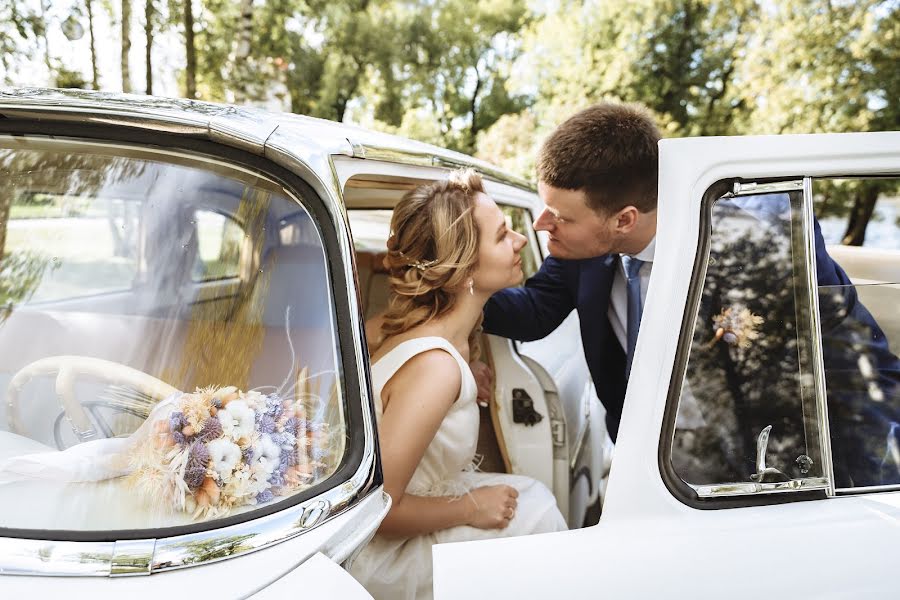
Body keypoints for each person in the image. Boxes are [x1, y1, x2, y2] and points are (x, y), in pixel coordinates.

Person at [479, 102, 900, 488]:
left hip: (765, 456)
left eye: (560, 216)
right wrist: (449, 285)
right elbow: (531, 312)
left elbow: (848, 368)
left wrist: (854, 488)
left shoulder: (765, 242)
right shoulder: (578, 251)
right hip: (649, 455)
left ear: (624, 220)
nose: (541, 225)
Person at [349, 169, 567, 600]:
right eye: (504, 236)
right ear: (466, 267)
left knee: (533, 496)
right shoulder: (437, 368)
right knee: (537, 518)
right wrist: (472, 508)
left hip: (413, 503)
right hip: (383, 552)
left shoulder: (401, 332)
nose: (521, 241)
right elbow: (380, 510)